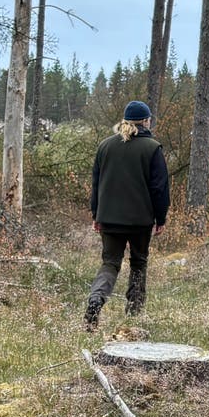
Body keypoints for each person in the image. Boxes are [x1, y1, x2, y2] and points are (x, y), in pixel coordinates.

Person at [86, 101, 169, 332]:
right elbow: (160, 188)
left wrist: (96, 214)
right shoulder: (153, 148)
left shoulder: (105, 146)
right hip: (140, 220)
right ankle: (134, 312)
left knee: (110, 263)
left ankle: (96, 299)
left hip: (109, 218)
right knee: (138, 263)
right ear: (146, 121)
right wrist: (161, 218)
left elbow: (96, 184)